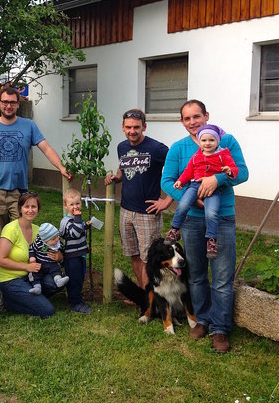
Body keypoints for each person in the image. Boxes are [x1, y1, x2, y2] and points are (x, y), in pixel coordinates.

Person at [161, 100, 248, 353]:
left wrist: (216, 178)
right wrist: (191, 199)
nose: (192, 122)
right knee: (197, 275)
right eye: (187, 119)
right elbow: (168, 181)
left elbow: (241, 172)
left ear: (206, 116)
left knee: (221, 277)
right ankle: (203, 319)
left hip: (221, 218)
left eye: (196, 116)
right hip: (191, 220)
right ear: (182, 122)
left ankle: (220, 328)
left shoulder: (226, 141)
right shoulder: (178, 149)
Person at [0, 86, 71, 244]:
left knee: (22, 238)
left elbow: (46, 148)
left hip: (19, 192)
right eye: (5, 102)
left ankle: (23, 267)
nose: (9, 106)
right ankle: (6, 267)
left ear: (18, 104)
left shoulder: (29, 125)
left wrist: (61, 167)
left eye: (12, 103)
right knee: (1, 240)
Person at [104, 109, 172, 290]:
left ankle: (151, 300)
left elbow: (179, 170)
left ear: (144, 127)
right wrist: (116, 177)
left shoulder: (157, 149)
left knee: (149, 258)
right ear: (123, 127)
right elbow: (123, 167)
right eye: (128, 127)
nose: (132, 131)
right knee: (134, 254)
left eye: (136, 127)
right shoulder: (122, 147)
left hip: (147, 213)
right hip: (126, 210)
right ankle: (144, 296)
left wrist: (167, 201)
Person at [165, 124, 239, 258]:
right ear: (200, 142)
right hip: (194, 185)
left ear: (217, 141)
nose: (207, 143)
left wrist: (228, 171)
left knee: (211, 212)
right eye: (204, 140)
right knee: (182, 205)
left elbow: (235, 169)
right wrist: (180, 181)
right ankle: (174, 230)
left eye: (212, 140)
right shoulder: (196, 156)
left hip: (213, 190)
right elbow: (189, 171)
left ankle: (211, 240)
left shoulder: (223, 154)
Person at [0, 191, 62, 318]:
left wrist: (59, 256)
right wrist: (26, 267)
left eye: (33, 207)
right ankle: (7, 301)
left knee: (56, 283)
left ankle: (27, 298)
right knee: (47, 310)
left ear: (38, 209)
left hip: (33, 277)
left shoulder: (39, 230)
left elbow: (53, 249)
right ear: (20, 209)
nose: (30, 210)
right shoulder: (11, 229)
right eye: (26, 206)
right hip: (10, 279)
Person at [59, 188, 93, 314]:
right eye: (71, 204)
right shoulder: (66, 221)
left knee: (79, 277)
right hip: (72, 256)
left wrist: (86, 226)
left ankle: (77, 297)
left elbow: (80, 229)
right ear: (65, 206)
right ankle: (75, 303)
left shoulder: (77, 220)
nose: (75, 207)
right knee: (74, 279)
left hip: (80, 255)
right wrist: (79, 220)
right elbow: (75, 232)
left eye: (77, 203)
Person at [28, 222, 69, 295]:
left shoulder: (58, 243)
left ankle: (58, 280)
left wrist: (60, 255)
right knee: (35, 274)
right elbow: (31, 249)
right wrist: (32, 257)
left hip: (51, 263)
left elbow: (63, 250)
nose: (57, 240)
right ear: (45, 241)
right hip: (40, 264)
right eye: (53, 239)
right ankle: (37, 287)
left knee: (56, 270)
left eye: (57, 236)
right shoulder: (38, 243)